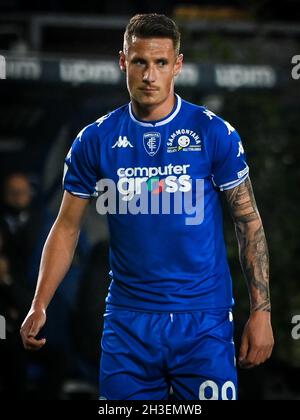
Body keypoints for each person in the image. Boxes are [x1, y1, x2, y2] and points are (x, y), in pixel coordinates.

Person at [20, 13, 274, 400]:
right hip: (128, 323)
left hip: (203, 322)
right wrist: (39, 304)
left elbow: (248, 222)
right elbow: (67, 226)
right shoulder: (95, 140)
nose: (150, 75)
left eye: (160, 63)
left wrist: (262, 312)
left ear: (178, 65)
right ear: (123, 61)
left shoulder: (213, 133)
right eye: (140, 61)